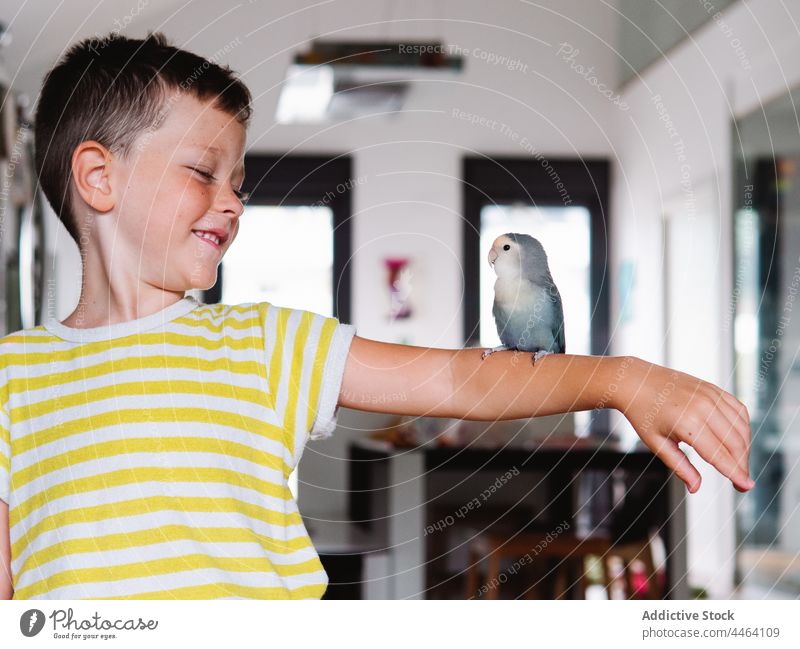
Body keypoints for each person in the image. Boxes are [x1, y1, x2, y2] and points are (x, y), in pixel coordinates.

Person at [0, 31, 752, 600]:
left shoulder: (264, 343)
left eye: (241, 181)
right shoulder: (12, 378)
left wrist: (625, 378)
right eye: (203, 173)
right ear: (99, 177)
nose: (231, 201)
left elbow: (461, 382)